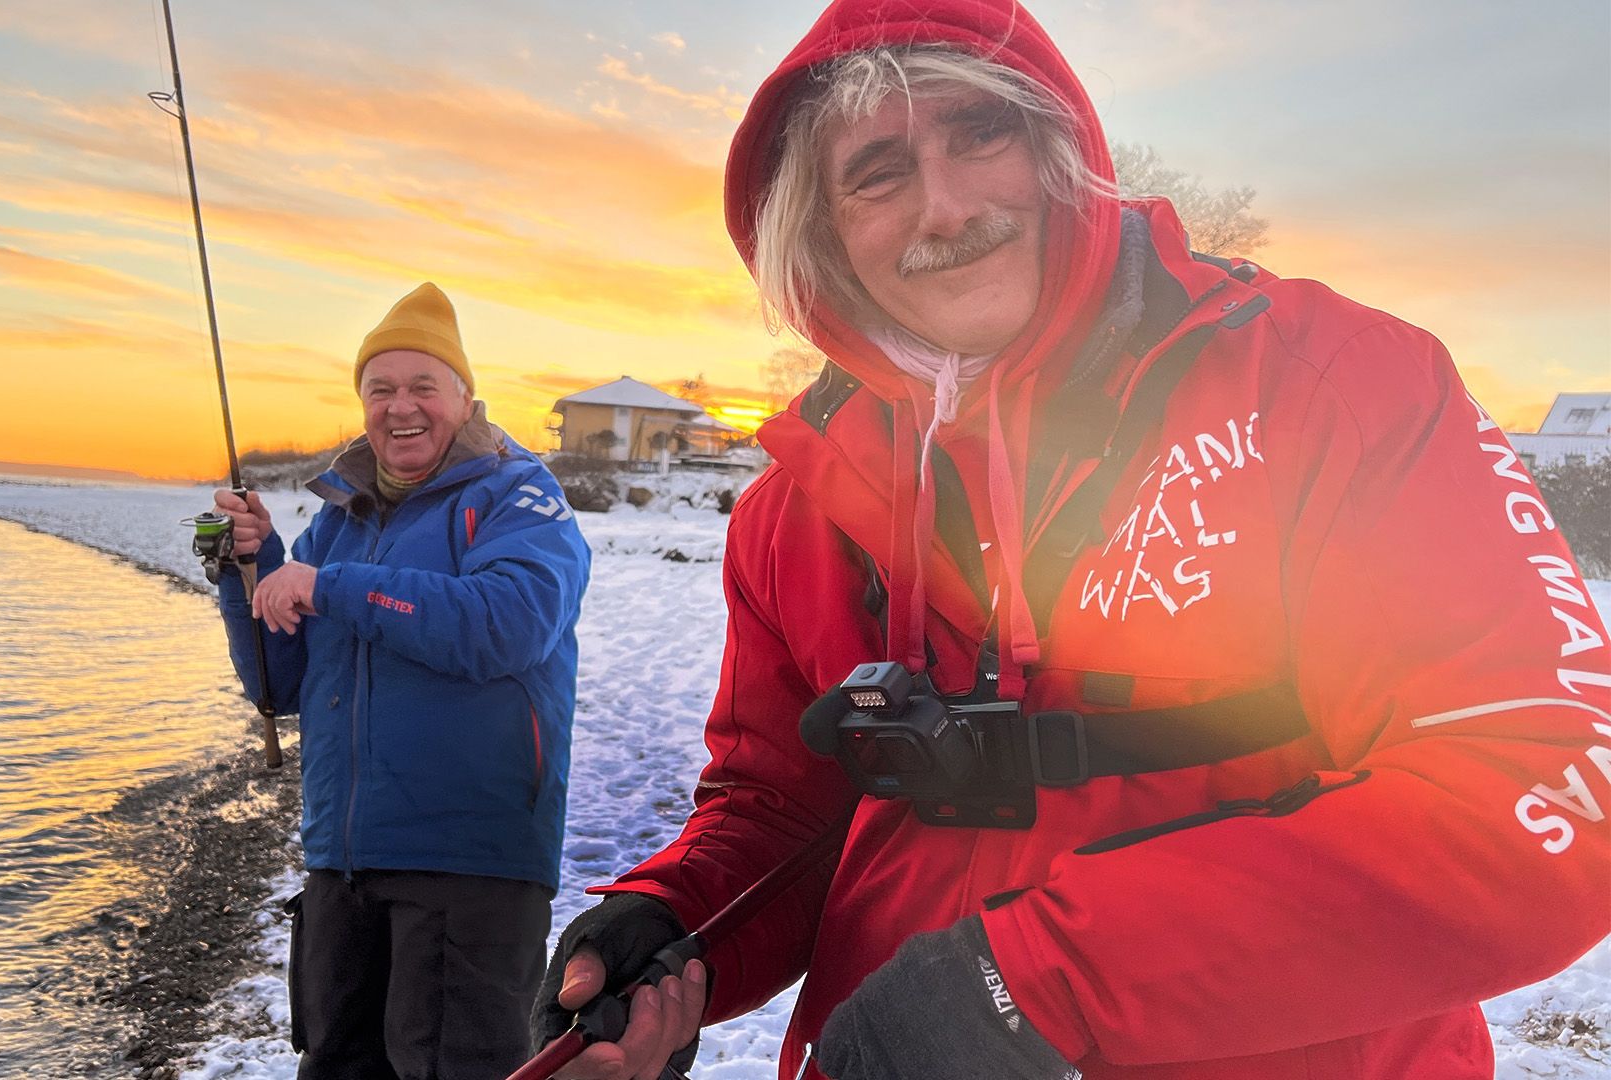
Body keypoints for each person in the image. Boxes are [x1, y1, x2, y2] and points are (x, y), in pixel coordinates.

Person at [530, 2, 1611, 1078]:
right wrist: (681, 927)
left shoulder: (1331, 384)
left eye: (979, 132)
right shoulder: (798, 507)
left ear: (1059, 149)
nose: (943, 208)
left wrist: (1034, 985)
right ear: (820, 232)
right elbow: (783, 805)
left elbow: (1544, 782)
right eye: (876, 172)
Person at [212, 281, 591, 1080]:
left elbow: (506, 623)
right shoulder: (340, 519)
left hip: (471, 867)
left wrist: (330, 585)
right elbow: (280, 686)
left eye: (424, 385)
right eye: (380, 389)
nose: (401, 406)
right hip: (342, 862)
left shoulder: (519, 494)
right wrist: (252, 567)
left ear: (464, 396)